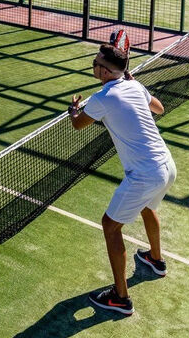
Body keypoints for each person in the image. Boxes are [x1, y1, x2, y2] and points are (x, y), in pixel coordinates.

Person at [68, 43, 174, 316]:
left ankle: (120, 298)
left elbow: (78, 124)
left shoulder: (102, 98)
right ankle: (155, 260)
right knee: (147, 207)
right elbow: (159, 108)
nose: (93, 65)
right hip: (166, 166)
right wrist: (136, 85)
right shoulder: (134, 86)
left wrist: (74, 111)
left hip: (144, 175)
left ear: (104, 72)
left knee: (110, 226)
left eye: (95, 63)